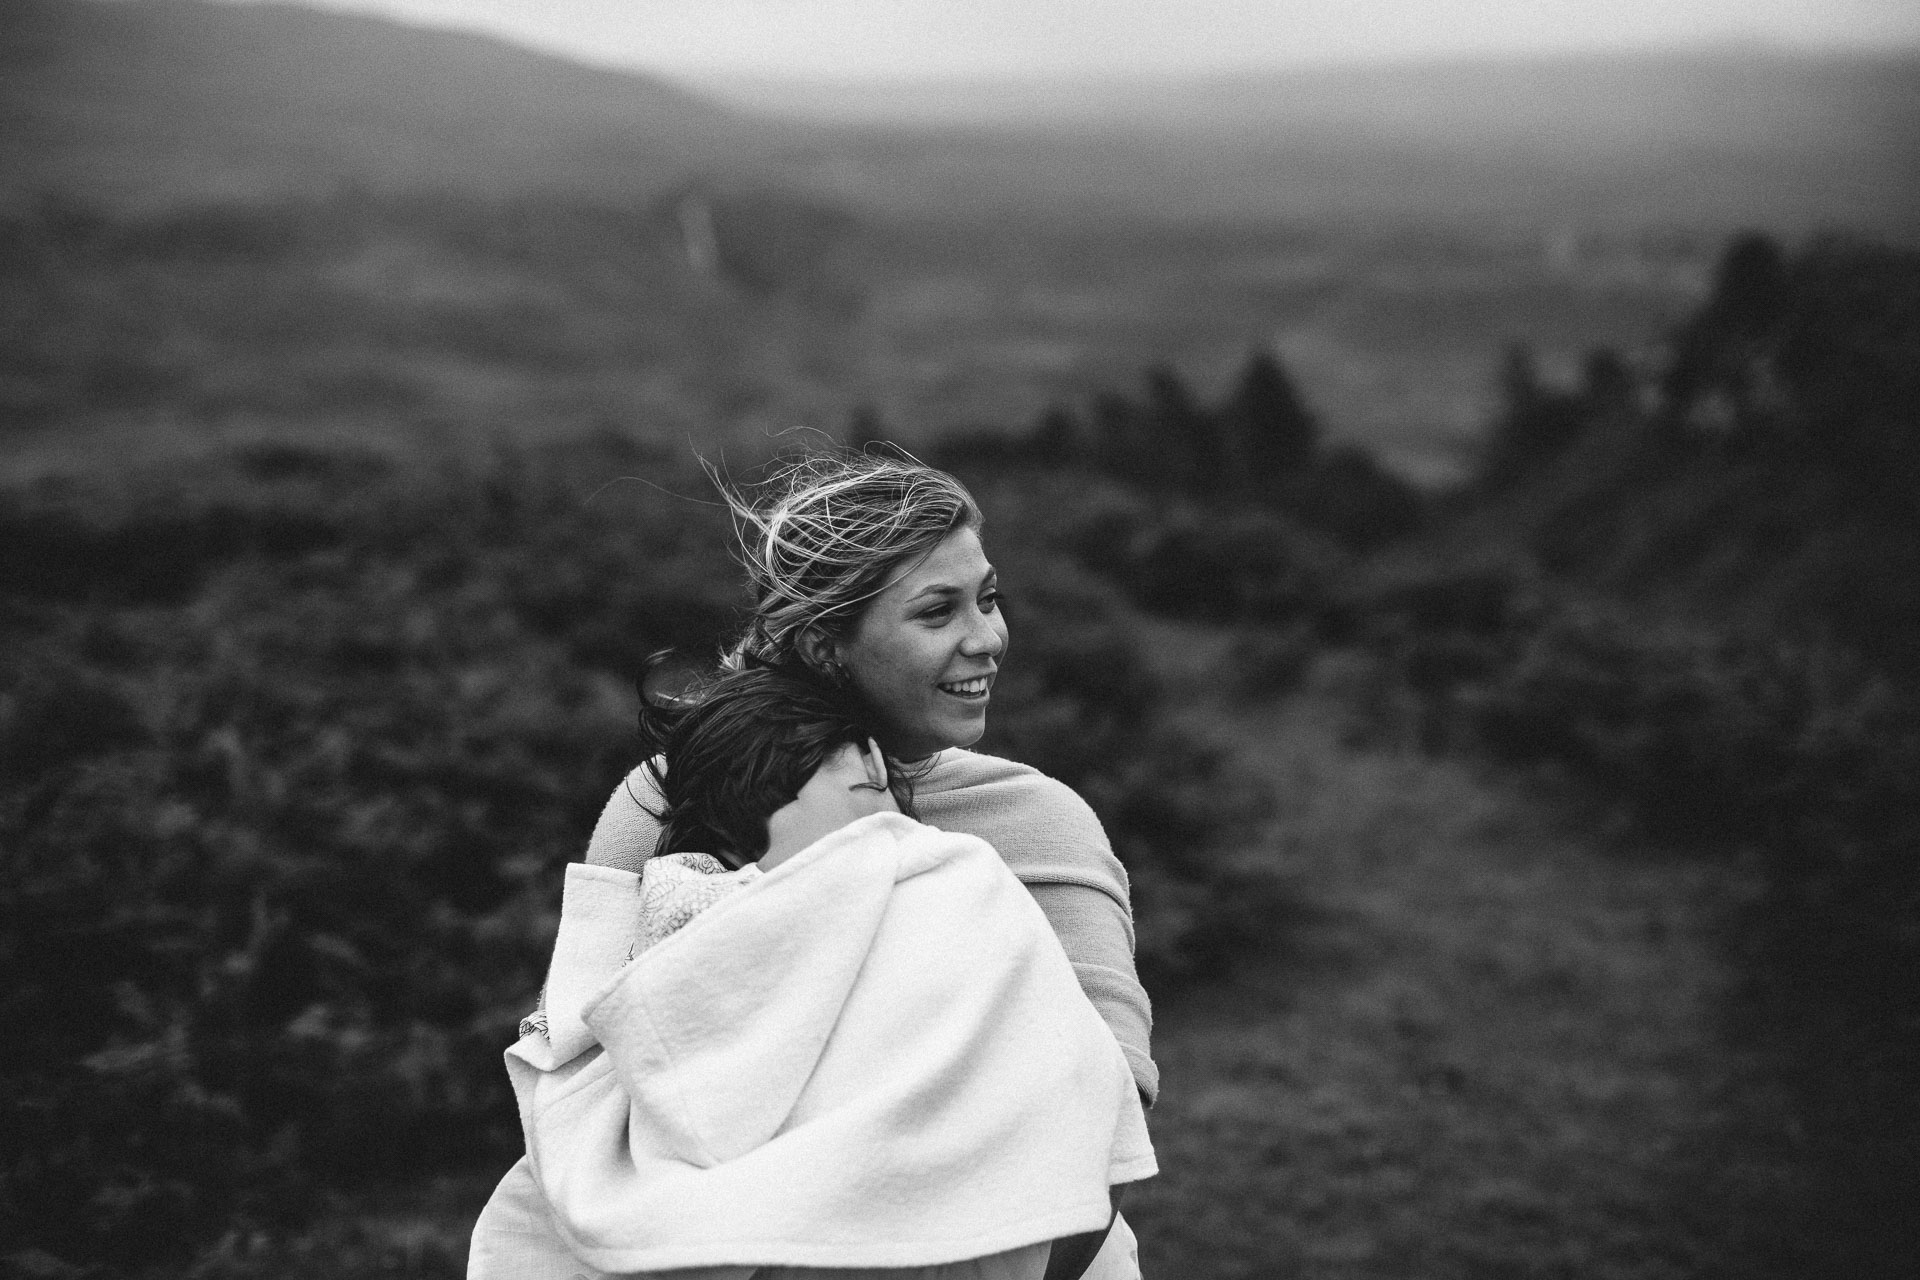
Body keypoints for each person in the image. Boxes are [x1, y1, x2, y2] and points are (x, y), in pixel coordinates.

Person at [471, 452, 1156, 1279]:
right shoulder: (663, 799)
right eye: (938, 611)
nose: (988, 637)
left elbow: (1107, 1121)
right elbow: (582, 1080)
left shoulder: (1036, 825)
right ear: (826, 645)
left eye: (988, 597)